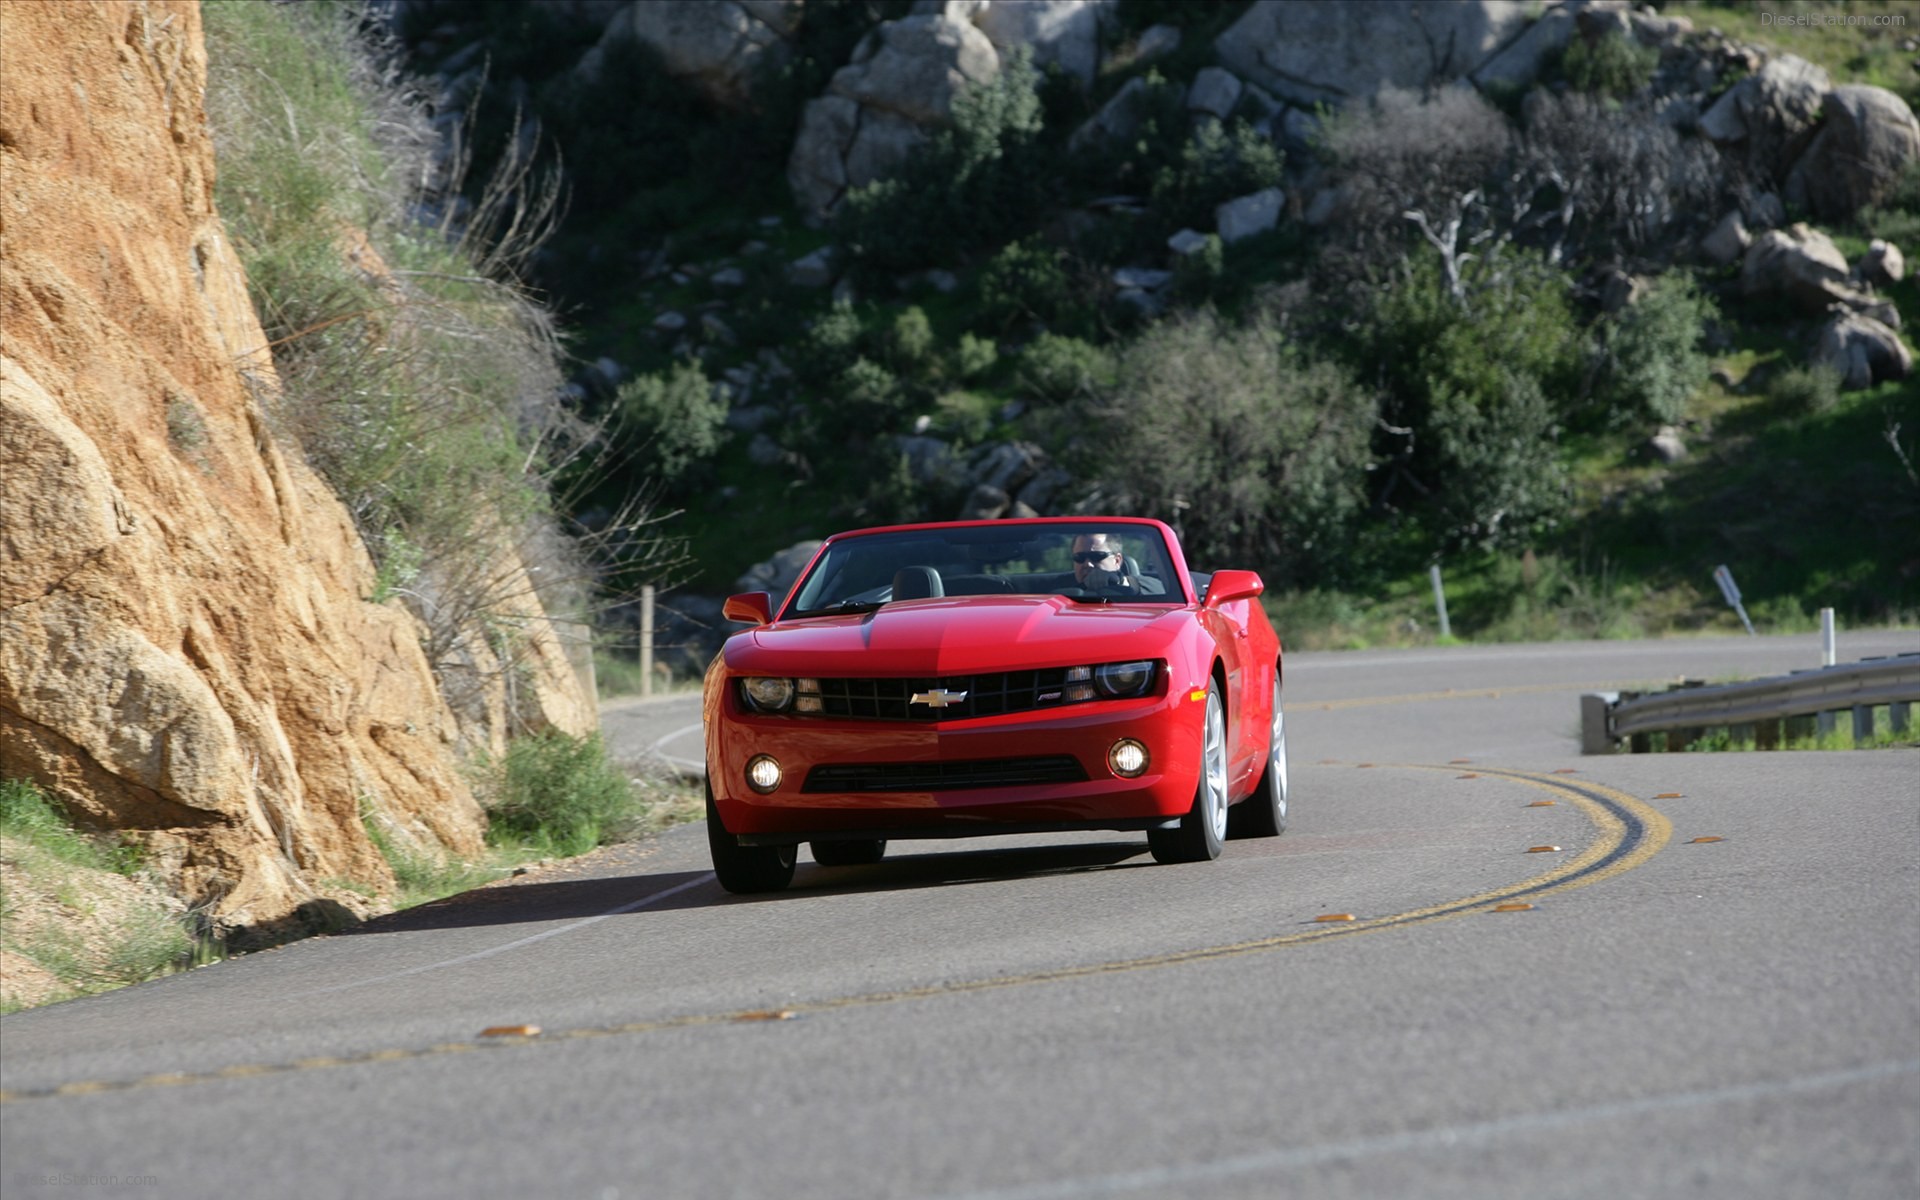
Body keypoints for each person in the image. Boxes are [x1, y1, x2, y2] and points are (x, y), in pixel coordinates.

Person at [1070, 532, 1163, 594]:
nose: (1088, 564)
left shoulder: (1145, 588)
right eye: (1079, 557)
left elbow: (1167, 592)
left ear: (1117, 560)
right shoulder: (1059, 591)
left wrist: (1120, 582)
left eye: (1096, 556)